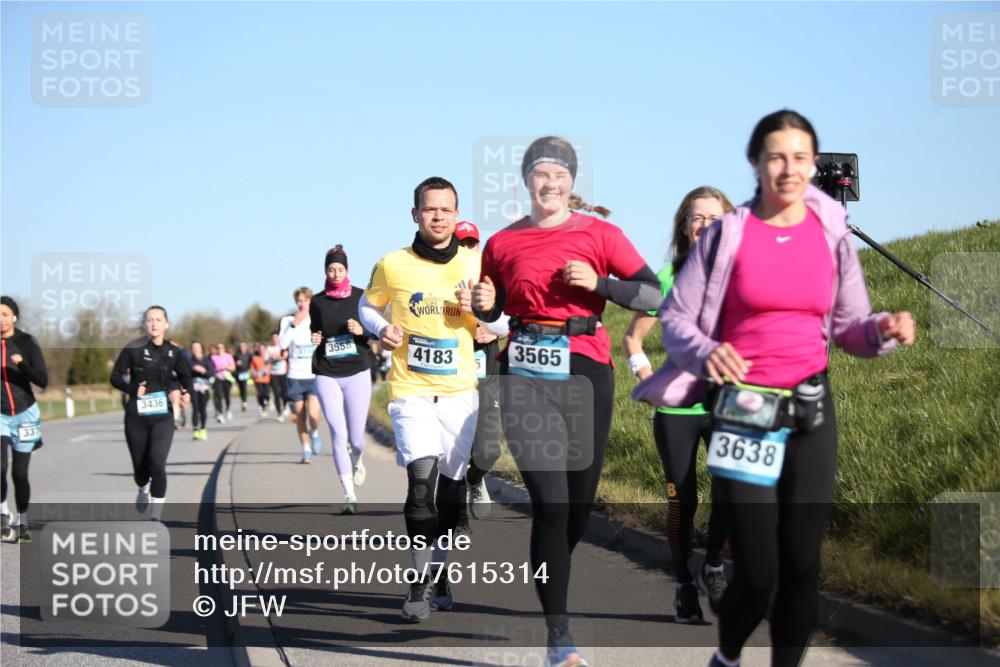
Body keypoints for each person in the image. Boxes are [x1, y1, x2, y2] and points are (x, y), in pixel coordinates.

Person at [641, 110, 915, 667]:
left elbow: (849, 328)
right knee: (759, 571)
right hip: (743, 410)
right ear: (755, 163)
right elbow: (676, 319)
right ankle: (728, 656)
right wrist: (705, 351)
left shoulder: (831, 232)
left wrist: (881, 330)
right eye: (775, 157)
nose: (788, 168)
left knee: (802, 566)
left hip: (812, 408)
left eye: (800, 157)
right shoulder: (727, 234)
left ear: (813, 164)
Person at [472, 137, 661, 667]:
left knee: (577, 507)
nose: (549, 184)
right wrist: (486, 303)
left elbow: (652, 294)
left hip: (585, 368)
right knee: (551, 503)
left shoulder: (601, 234)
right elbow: (496, 307)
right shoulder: (503, 241)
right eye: (540, 175)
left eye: (559, 176)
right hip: (524, 370)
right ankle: (559, 637)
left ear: (572, 183)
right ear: (526, 181)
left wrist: (600, 282)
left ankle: (552, 564)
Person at [360, 176, 501, 622]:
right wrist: (381, 328)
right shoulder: (393, 264)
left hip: (461, 393)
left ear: (455, 215)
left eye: (446, 209)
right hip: (410, 390)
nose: (438, 216)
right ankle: (419, 580)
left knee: (451, 493)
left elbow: (503, 321)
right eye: (429, 208)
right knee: (421, 483)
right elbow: (366, 306)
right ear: (415, 213)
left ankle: (439, 572)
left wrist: (481, 313)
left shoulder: (478, 264)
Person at [622, 186, 735, 621]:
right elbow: (633, 337)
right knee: (681, 501)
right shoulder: (667, 278)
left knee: (729, 493)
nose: (704, 225)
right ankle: (685, 585)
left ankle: (713, 567)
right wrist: (645, 376)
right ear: (684, 227)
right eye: (696, 217)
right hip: (677, 413)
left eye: (713, 217)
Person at [110, 305, 192, 519]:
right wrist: (132, 389)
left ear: (167, 324)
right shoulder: (132, 349)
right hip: (136, 417)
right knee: (140, 470)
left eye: (158, 319)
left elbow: (186, 377)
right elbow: (115, 377)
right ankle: (142, 487)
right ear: (145, 324)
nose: (154, 323)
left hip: (162, 416)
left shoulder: (173, 351)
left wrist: (186, 392)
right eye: (150, 320)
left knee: (157, 463)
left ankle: (156, 516)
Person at [309, 245, 373, 514]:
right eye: (330, 269)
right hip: (326, 371)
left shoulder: (361, 297)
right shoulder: (317, 301)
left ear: (347, 270)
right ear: (325, 271)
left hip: (357, 369)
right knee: (338, 432)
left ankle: (357, 459)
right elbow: (316, 330)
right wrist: (315, 337)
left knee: (357, 438)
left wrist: (362, 330)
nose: (335, 273)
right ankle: (349, 493)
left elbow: (376, 330)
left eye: (339, 269)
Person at [454, 221, 506, 526]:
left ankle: (476, 479)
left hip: (485, 363)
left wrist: (494, 328)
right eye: (462, 243)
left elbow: (514, 317)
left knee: (487, 450)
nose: (468, 249)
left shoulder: (492, 280)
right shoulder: (440, 277)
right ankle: (458, 518)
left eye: (472, 243)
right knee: (455, 446)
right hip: (451, 369)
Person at [1, 296, 48, 543]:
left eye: (5, 314)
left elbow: (43, 380)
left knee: (20, 473)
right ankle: (2, 513)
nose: (1, 319)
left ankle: (22, 519)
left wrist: (22, 367)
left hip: (25, 412)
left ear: (14, 317)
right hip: (0, 414)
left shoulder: (26, 342)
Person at [279, 288, 323, 463]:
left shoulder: (316, 320)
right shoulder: (287, 321)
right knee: (300, 415)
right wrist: (294, 324)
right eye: (298, 300)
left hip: (313, 374)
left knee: (313, 414)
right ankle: (306, 449)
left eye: (305, 300)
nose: (301, 303)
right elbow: (282, 343)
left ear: (310, 302)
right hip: (295, 375)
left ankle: (315, 432)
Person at [188, 341, 213, 440]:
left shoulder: (206, 361)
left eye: (197, 347)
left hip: (204, 388)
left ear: (202, 349)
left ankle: (203, 429)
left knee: (203, 409)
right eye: (194, 348)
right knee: (195, 408)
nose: (196, 350)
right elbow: (185, 375)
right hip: (193, 388)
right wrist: (192, 369)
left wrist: (203, 371)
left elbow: (212, 373)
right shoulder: (189, 361)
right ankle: (195, 430)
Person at [266, 331, 289, 420]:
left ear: (279, 338)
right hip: (273, 374)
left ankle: (285, 406)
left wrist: (278, 357)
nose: (275, 339)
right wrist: (271, 359)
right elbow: (266, 361)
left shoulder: (282, 347)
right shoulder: (269, 349)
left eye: (276, 338)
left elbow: (285, 356)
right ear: (272, 339)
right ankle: (279, 413)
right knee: (276, 394)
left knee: (284, 393)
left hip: (283, 373)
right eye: (273, 338)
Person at [210, 343, 236, 422]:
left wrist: (225, 367)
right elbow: (210, 368)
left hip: (227, 378)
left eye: (221, 347)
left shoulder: (228, 356)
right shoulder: (213, 357)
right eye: (218, 348)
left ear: (224, 348)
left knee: (227, 395)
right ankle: (220, 413)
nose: (220, 349)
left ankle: (228, 409)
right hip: (218, 378)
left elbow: (233, 368)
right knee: (218, 395)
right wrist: (217, 368)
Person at [250, 343, 272, 414]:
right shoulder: (255, 358)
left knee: (266, 394)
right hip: (258, 378)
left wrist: (267, 370)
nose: (261, 350)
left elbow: (270, 366)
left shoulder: (268, 358)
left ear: (265, 350)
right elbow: (252, 368)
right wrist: (253, 372)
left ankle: (268, 400)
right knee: (260, 393)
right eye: (260, 349)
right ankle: (262, 407)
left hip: (266, 378)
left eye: (263, 349)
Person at [234, 341, 252, 412]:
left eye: (243, 346)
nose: (242, 348)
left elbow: (251, 363)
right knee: (241, 388)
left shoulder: (249, 355)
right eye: (241, 346)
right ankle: (243, 401)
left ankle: (244, 402)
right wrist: (236, 363)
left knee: (244, 387)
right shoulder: (236, 355)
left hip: (246, 373)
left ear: (246, 347)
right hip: (238, 373)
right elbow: (233, 363)